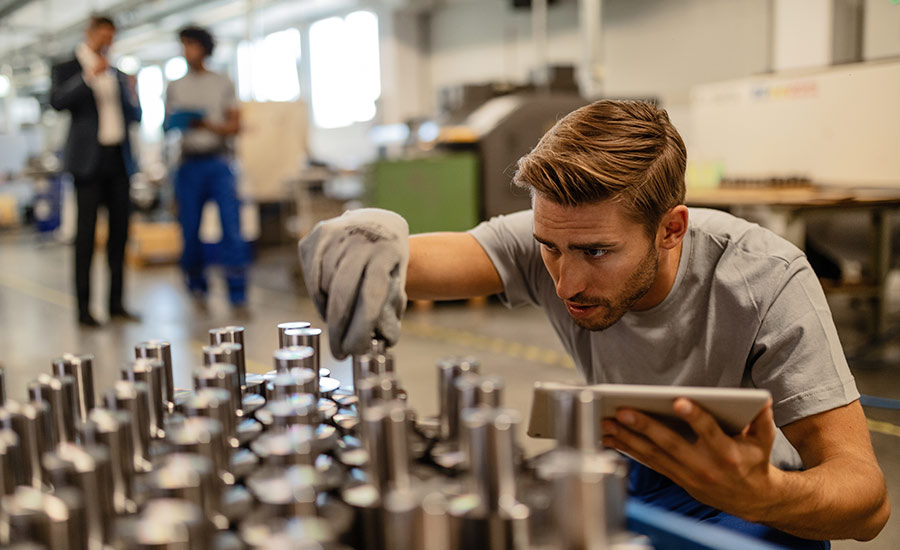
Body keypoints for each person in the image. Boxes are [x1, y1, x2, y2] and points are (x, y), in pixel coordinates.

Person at [299, 100, 889, 547]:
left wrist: (764, 494)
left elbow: (866, 500)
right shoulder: (559, 237)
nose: (565, 282)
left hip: (741, 485)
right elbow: (420, 262)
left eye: (597, 253)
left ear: (671, 229)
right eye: (548, 248)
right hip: (629, 467)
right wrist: (371, 237)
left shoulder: (765, 278)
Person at [50, 14, 142, 327]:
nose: (108, 43)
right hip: (87, 164)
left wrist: (133, 91)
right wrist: (89, 75)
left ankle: (116, 303)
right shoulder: (68, 68)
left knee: (119, 236)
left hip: (118, 161)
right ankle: (84, 310)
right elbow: (57, 101)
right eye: (103, 37)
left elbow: (136, 116)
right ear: (90, 34)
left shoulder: (118, 72)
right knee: (86, 239)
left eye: (111, 38)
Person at [164, 25, 247, 307]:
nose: (187, 51)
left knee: (231, 229)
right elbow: (168, 126)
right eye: (183, 45)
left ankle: (237, 290)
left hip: (218, 163)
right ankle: (196, 285)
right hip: (188, 166)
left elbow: (235, 125)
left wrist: (206, 124)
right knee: (189, 229)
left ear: (204, 47)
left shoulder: (223, 82)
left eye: (192, 45)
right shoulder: (174, 86)